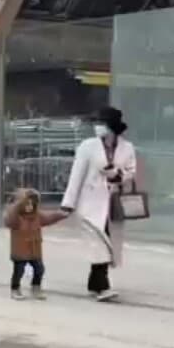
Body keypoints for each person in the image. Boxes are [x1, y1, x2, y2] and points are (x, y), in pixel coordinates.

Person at [61, 106, 138, 302]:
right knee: (98, 244)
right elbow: (76, 174)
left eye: (101, 123)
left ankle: (94, 283)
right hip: (88, 203)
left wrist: (116, 174)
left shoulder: (127, 148)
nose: (97, 127)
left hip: (112, 203)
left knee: (107, 243)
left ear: (111, 126)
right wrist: (68, 202)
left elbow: (131, 172)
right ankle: (103, 286)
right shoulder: (88, 146)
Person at [4, 188, 68, 300]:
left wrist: (61, 215)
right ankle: (15, 289)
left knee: (40, 269)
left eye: (32, 204)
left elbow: (50, 217)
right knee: (19, 271)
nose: (30, 206)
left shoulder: (37, 216)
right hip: (20, 250)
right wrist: (18, 204)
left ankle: (36, 287)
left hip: (34, 249)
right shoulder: (16, 218)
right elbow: (9, 219)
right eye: (26, 204)